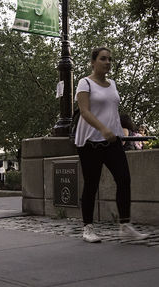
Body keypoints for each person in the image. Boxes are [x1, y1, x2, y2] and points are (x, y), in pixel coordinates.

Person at [75, 47, 149, 243]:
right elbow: (84, 112)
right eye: (103, 59)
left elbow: (112, 112)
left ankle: (125, 225)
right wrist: (103, 129)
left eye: (109, 59)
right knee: (91, 184)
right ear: (93, 62)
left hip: (112, 141)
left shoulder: (113, 84)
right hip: (90, 142)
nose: (107, 62)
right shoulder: (85, 83)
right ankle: (87, 227)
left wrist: (116, 132)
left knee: (124, 179)